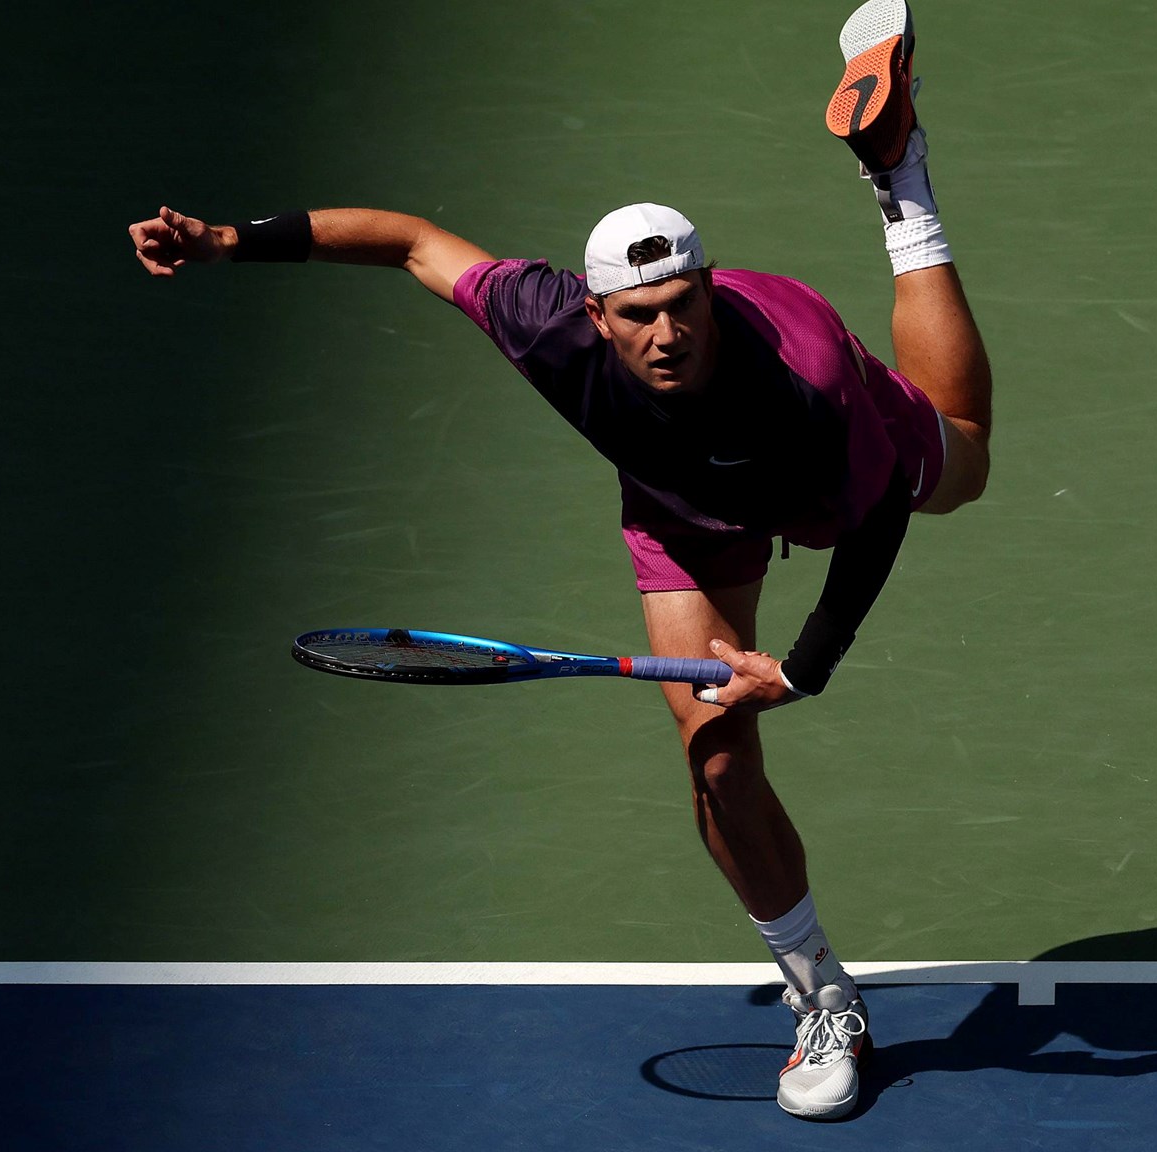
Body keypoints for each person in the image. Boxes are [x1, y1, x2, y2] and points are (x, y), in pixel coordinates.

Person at [127, 0, 986, 1121]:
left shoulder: (806, 368)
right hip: (683, 520)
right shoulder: (540, 321)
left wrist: (808, 662)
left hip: (826, 481)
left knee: (960, 465)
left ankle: (900, 181)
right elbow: (410, 243)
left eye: (681, 307)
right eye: (636, 316)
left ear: (709, 289)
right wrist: (230, 239)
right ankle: (820, 991)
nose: (663, 334)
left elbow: (876, 519)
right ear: (593, 311)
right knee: (717, 761)